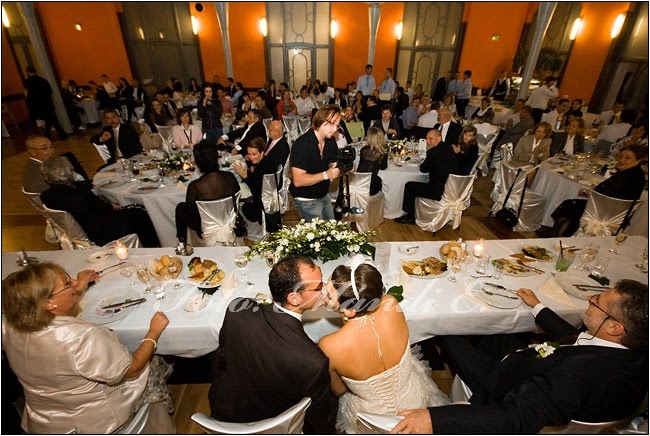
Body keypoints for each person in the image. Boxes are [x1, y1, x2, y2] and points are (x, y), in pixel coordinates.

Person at [391, 280, 648, 434]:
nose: (589, 299)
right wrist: (538, 306)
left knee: (448, 334)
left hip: (498, 384)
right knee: (488, 329)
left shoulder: (573, 376)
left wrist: (435, 420)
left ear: (614, 327)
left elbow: (515, 417)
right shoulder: (634, 353)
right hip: (527, 363)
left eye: (596, 301)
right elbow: (575, 339)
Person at [2, 262, 170, 434]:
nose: (75, 282)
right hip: (97, 422)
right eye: (68, 283)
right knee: (155, 361)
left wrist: (79, 287)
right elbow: (132, 369)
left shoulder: (9, 325)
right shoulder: (81, 337)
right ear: (49, 303)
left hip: (46, 422)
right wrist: (153, 333)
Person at [318, 258, 449, 434]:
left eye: (329, 295)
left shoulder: (329, 345)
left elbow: (338, 389)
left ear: (350, 310)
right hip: (415, 401)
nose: (323, 291)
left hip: (372, 419)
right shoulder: (390, 302)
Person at [209, 256, 338, 434]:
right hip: (274, 423)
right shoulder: (313, 361)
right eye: (319, 287)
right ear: (294, 298)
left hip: (225, 408)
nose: (325, 289)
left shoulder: (237, 309)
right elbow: (321, 420)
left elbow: (221, 358)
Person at [40, 156, 160, 247]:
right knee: (140, 210)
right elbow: (102, 207)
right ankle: (151, 245)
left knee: (133, 210)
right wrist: (113, 206)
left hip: (81, 230)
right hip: (100, 231)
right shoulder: (78, 194)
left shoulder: (46, 196)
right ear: (68, 172)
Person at [539, 144, 647, 237]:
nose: (622, 160)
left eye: (627, 158)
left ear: (638, 160)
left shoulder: (628, 176)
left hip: (604, 213)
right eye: (621, 156)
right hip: (612, 212)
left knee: (569, 205)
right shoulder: (635, 173)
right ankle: (562, 233)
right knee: (575, 206)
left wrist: (588, 192)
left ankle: (557, 233)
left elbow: (606, 194)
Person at [174, 140, 240, 242]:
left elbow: (190, 211)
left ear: (198, 162)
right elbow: (236, 201)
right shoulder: (230, 177)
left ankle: (182, 243)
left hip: (207, 227)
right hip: (230, 221)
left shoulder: (195, 186)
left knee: (181, 208)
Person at [395, 129, 459, 224]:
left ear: (439, 138)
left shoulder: (433, 152)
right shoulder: (448, 147)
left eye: (430, 139)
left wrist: (428, 155)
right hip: (452, 189)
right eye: (427, 139)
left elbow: (423, 169)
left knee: (410, 186)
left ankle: (410, 216)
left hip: (438, 191)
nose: (427, 141)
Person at [289, 104, 341, 221]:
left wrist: (345, 166)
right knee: (317, 232)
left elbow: (334, 163)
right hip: (306, 199)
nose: (335, 129)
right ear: (320, 121)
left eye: (337, 125)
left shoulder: (330, 141)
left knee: (332, 229)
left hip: (323, 194)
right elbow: (298, 181)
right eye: (331, 124)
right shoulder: (302, 144)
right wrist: (326, 175)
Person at [233, 137, 281, 231]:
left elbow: (256, 190)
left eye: (254, 154)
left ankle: (252, 231)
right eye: (249, 154)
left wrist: (244, 176)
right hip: (269, 200)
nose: (251, 157)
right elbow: (256, 179)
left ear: (262, 152)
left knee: (241, 205)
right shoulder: (265, 161)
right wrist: (246, 172)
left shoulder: (263, 168)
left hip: (262, 205)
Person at [23, 135, 88, 194]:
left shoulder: (31, 166)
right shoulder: (42, 171)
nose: (52, 151)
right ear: (32, 152)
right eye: (44, 148)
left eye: (51, 147)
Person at [23, 66, 68, 141]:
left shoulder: (27, 81)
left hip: (36, 105)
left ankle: (49, 135)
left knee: (49, 120)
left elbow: (26, 93)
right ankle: (58, 134)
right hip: (47, 104)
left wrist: (29, 103)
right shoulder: (43, 80)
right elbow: (49, 91)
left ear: (28, 72)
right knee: (50, 119)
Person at [357, 127, 388, 195]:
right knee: (380, 181)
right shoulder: (383, 154)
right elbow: (383, 167)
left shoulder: (363, 150)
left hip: (359, 182)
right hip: (371, 186)